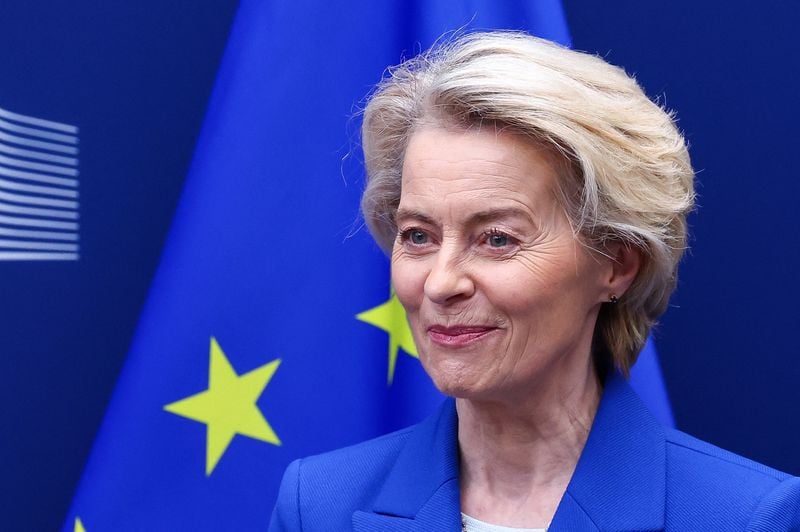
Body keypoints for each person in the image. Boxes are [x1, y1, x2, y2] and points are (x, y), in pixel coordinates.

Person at [269, 31, 800, 531]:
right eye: (418, 235)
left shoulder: (744, 516)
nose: (440, 283)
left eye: (497, 239)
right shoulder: (320, 505)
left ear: (617, 264)